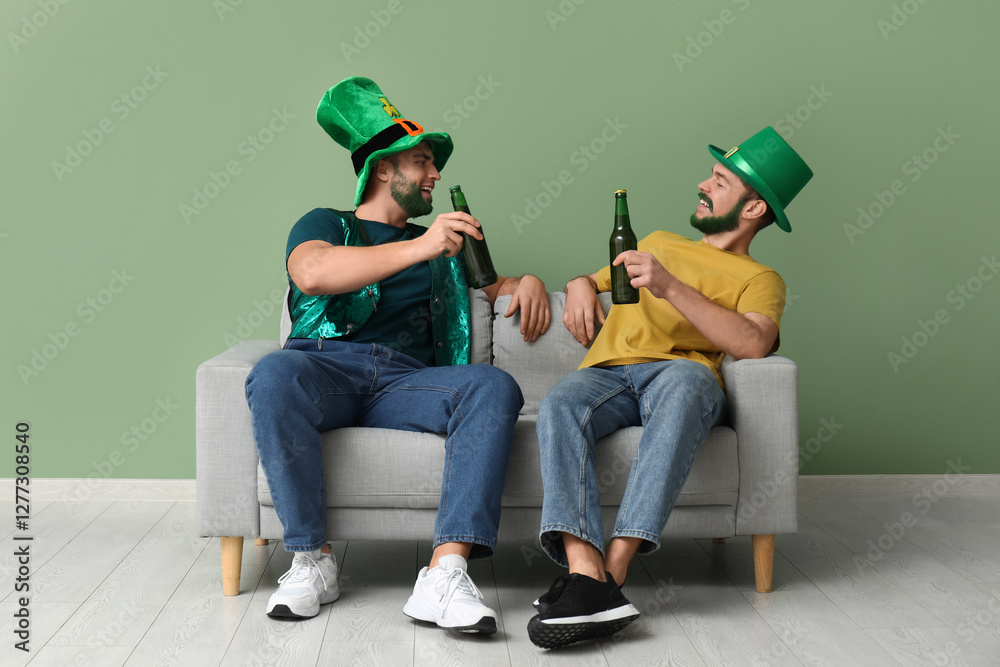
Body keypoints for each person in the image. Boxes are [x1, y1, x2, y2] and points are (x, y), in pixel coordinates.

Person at [245, 76, 550, 635]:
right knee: (271, 372)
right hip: (324, 367)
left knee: (493, 386)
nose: (435, 175)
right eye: (423, 162)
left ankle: (445, 573)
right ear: (384, 169)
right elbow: (312, 273)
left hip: (407, 383)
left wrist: (526, 281)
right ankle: (312, 560)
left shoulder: (446, 246)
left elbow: (496, 287)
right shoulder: (326, 222)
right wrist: (422, 244)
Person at [527, 127, 813, 649]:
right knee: (562, 401)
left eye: (721, 181)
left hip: (682, 374)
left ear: (753, 209)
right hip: (608, 372)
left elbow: (751, 343)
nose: (704, 184)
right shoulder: (658, 241)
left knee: (685, 384)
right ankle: (585, 570)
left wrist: (668, 286)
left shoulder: (761, 278)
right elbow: (592, 280)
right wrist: (575, 286)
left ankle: (613, 573)